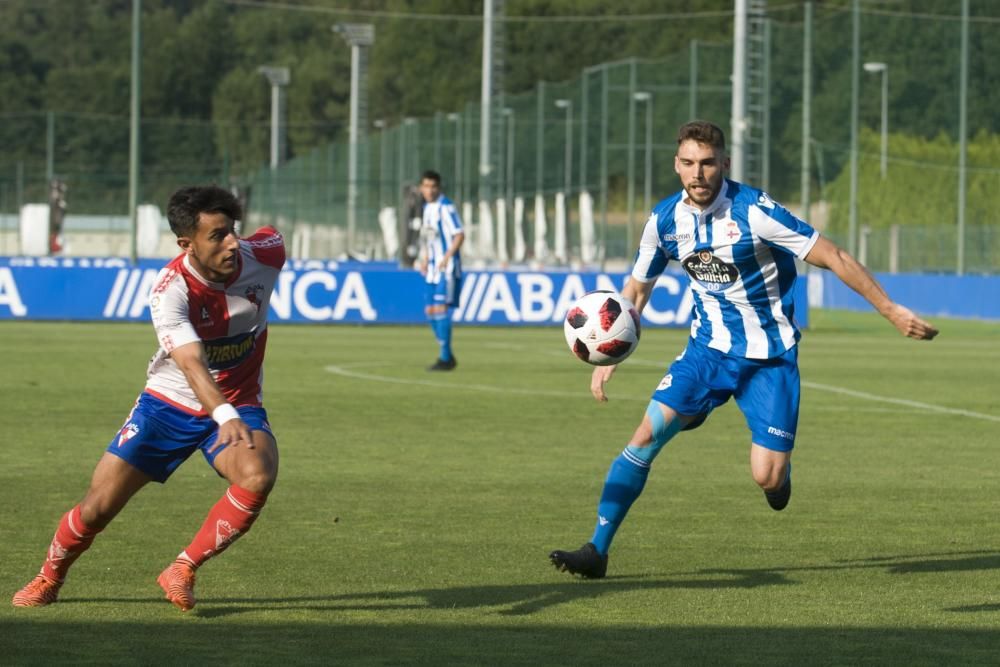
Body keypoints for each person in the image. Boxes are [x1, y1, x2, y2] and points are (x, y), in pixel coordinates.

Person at [550, 121, 938, 579]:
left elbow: (834, 256)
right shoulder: (665, 220)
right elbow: (636, 287)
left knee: (767, 477)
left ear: (724, 165)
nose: (699, 173)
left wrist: (890, 310)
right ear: (677, 165)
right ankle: (597, 550)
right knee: (645, 437)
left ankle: (776, 475)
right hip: (707, 352)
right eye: (689, 163)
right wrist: (610, 352)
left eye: (708, 163)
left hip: (770, 358)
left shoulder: (756, 212)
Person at [12, 185, 286, 610]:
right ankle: (49, 578)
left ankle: (182, 568)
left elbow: (268, 236)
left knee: (258, 473)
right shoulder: (170, 291)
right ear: (186, 244)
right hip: (167, 406)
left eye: (232, 231)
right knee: (97, 509)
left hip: (238, 400)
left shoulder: (265, 254)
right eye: (217, 235)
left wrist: (230, 410)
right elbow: (192, 363)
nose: (232, 242)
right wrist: (224, 413)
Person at [417, 170, 465, 371]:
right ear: (421, 188)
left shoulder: (446, 207)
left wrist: (447, 257)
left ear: (439, 188)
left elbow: (459, 234)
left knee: (440, 309)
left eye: (433, 186)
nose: (429, 190)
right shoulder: (427, 208)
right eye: (426, 186)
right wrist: (426, 257)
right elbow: (430, 237)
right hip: (432, 268)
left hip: (447, 268)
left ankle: (445, 358)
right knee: (429, 311)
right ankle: (447, 354)